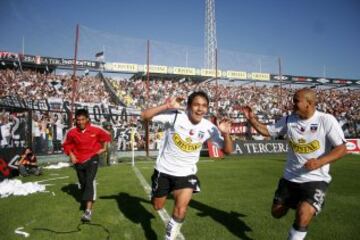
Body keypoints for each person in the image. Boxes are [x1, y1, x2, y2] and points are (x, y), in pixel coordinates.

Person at [240, 88, 347, 240]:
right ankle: (301, 203)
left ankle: (306, 207)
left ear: (309, 103)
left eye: (296, 101)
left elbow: (342, 149)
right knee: (276, 213)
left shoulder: (326, 120)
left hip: (316, 179)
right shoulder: (289, 120)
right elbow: (267, 131)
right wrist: (252, 119)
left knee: (303, 214)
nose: (293, 104)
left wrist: (319, 162)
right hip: (290, 178)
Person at [141, 91, 233, 240]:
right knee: (158, 206)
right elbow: (144, 115)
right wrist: (166, 105)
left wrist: (226, 134)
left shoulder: (209, 127)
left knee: (181, 210)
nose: (200, 109)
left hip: (186, 174)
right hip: (164, 170)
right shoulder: (175, 116)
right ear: (189, 106)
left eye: (204, 106)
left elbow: (228, 151)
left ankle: (169, 238)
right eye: (196, 104)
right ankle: (157, 195)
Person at [62, 109, 111, 222]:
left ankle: (88, 211)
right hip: (79, 161)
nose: (80, 122)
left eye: (83, 119)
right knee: (83, 184)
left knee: (89, 181)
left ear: (87, 119)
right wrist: (71, 155)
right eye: (78, 120)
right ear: (75, 120)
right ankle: (87, 200)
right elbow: (66, 145)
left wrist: (103, 149)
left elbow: (107, 136)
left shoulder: (96, 129)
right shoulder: (71, 132)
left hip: (92, 159)